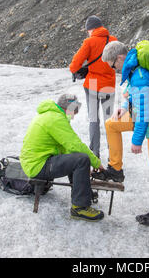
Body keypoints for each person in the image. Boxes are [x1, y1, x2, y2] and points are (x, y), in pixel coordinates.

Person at [91, 40, 149, 226]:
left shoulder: (140, 76)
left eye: (113, 65)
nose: (114, 69)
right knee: (112, 124)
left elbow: (144, 113)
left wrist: (137, 141)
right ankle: (115, 169)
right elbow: (131, 95)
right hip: (148, 115)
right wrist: (122, 107)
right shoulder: (134, 69)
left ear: (120, 58)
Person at [19, 94, 105, 222]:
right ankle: (79, 208)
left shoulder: (51, 115)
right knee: (82, 160)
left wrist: (84, 172)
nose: (74, 115)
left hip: (36, 161)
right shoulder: (56, 119)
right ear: (68, 108)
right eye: (74, 110)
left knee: (76, 158)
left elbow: (68, 148)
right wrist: (96, 163)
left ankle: (83, 192)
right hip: (38, 165)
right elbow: (75, 144)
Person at [69, 15, 117, 158]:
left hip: (93, 85)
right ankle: (114, 155)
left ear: (91, 29)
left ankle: (95, 154)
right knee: (110, 120)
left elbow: (75, 64)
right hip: (109, 84)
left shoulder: (89, 42)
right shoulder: (113, 40)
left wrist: (76, 70)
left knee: (94, 119)